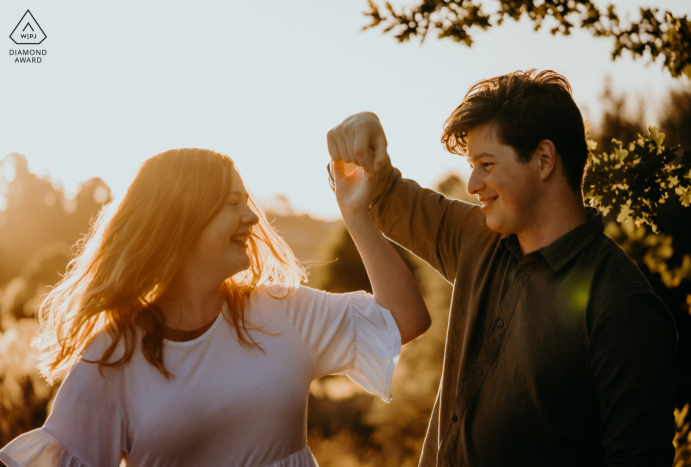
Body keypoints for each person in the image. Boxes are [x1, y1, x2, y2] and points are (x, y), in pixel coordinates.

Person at [326, 70, 677, 466]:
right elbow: (382, 194)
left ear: (544, 159)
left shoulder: (623, 308)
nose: (473, 183)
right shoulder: (477, 238)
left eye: (487, 165)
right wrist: (362, 139)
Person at [0, 148, 431, 467]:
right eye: (231, 204)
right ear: (181, 221)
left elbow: (406, 318)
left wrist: (357, 215)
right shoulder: (111, 356)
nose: (251, 216)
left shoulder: (283, 312)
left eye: (246, 201)